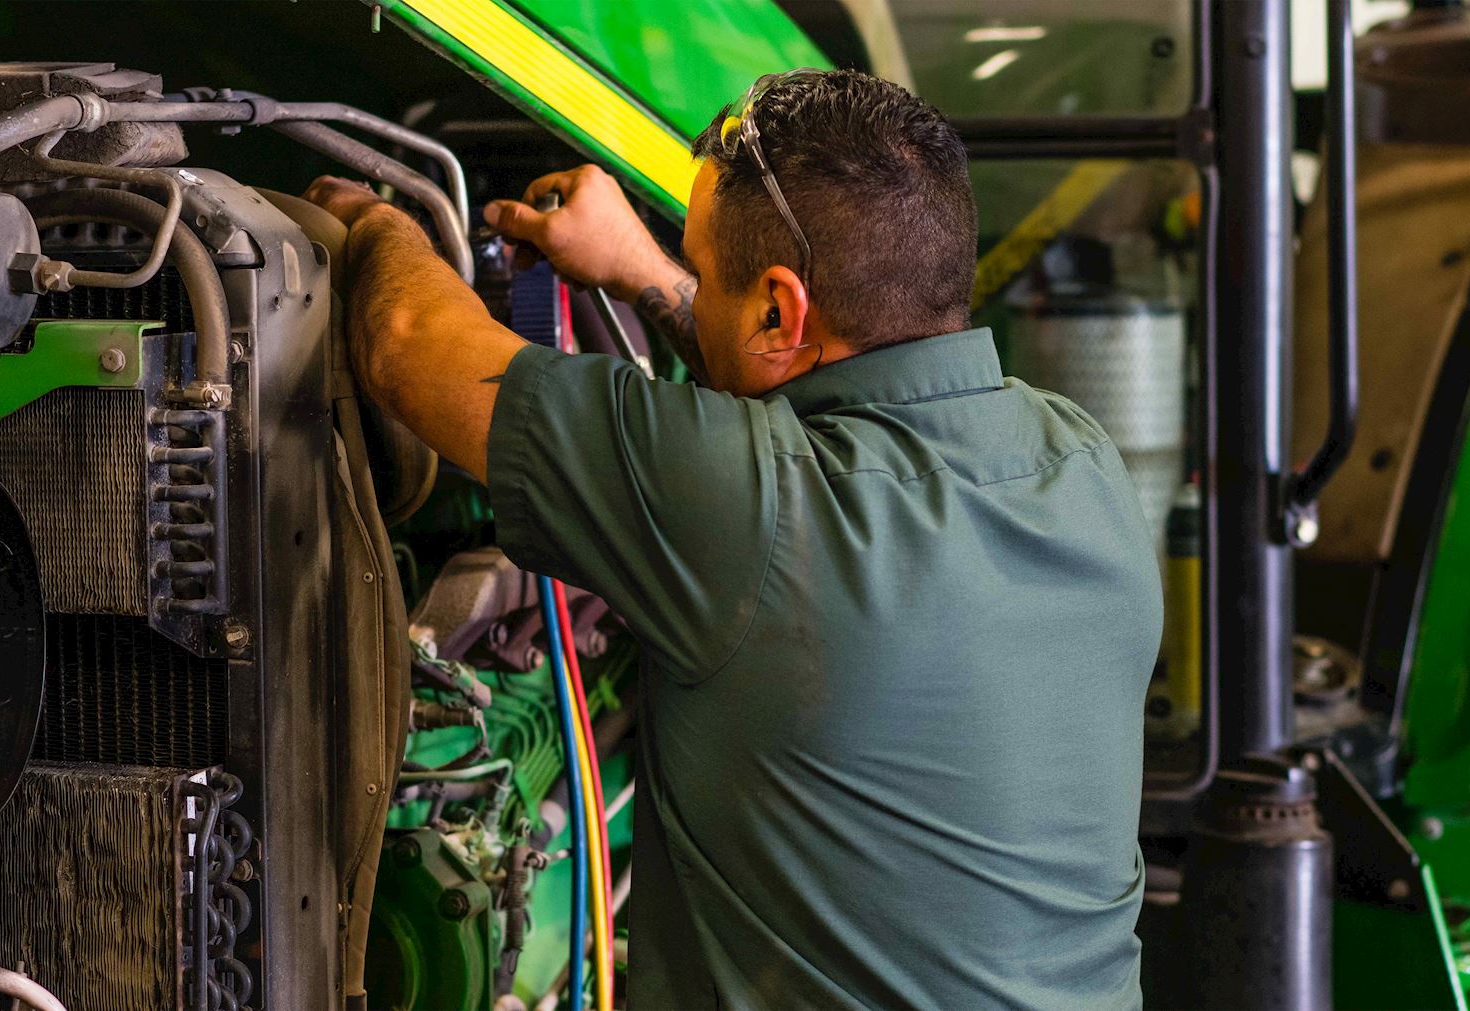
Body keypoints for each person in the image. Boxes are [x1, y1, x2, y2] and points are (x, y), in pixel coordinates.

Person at [305, 68, 1160, 1010]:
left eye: (705, 275)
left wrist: (382, 222)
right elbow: (780, 413)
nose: (694, 292)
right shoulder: (1084, 460)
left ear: (780, 310)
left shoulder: (751, 510)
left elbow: (407, 334)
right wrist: (648, 275)